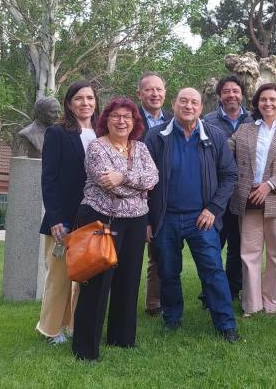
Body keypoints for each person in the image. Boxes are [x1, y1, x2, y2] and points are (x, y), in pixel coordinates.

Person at [145, 87, 239, 342]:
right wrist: (148, 221)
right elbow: (142, 182)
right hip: (166, 218)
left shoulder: (215, 136)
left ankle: (225, 324)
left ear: (201, 107)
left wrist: (213, 209)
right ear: (173, 104)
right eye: (183, 101)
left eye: (194, 102)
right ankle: (172, 319)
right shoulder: (156, 137)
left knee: (213, 271)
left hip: (202, 218)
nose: (189, 106)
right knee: (168, 272)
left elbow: (230, 175)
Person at [72, 98, 159, 360]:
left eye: (127, 117)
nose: (122, 121)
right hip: (102, 219)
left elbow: (153, 178)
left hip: (136, 220)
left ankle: (122, 339)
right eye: (116, 116)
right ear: (106, 120)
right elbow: (107, 183)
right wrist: (137, 186)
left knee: (129, 281)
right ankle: (85, 348)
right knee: (97, 283)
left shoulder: (141, 148)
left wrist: (123, 177)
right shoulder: (97, 147)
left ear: (134, 122)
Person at [227, 84, 276, 316]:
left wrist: (269, 185)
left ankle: (273, 303)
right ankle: (251, 304)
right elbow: (225, 150)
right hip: (249, 199)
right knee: (249, 254)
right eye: (263, 99)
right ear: (257, 104)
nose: (267, 103)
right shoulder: (245, 129)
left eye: (272, 99)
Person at [37, 81, 99, 345]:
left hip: (93, 217)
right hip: (63, 218)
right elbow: (49, 179)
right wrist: (55, 218)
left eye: (90, 98)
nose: (85, 103)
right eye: (79, 98)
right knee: (59, 278)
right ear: (69, 103)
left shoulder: (102, 133)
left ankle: (73, 325)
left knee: (86, 276)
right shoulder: (57, 133)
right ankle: (51, 330)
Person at [204, 75, 253, 300]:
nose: (231, 95)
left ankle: (233, 290)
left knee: (238, 245)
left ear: (242, 94)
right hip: (216, 194)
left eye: (235, 91)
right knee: (212, 246)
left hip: (243, 193)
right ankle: (210, 294)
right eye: (226, 91)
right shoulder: (208, 121)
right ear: (219, 95)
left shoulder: (252, 120)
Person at [136, 71, 172, 317]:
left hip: (163, 197)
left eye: (159, 89)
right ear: (139, 93)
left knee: (159, 254)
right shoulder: (128, 119)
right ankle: (121, 303)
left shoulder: (173, 120)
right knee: (127, 256)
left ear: (165, 93)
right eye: (149, 89)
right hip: (133, 195)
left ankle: (154, 303)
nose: (155, 94)